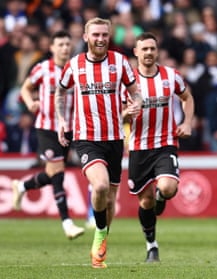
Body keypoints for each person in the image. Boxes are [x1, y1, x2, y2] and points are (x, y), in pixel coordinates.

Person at [55, 17, 142, 269]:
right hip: (86, 139)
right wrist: (62, 120)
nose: (101, 39)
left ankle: (101, 238)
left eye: (104, 34)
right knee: (101, 186)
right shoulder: (75, 65)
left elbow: (135, 91)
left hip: (115, 138)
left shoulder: (120, 62)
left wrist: (136, 103)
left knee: (111, 198)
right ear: (86, 37)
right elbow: (61, 91)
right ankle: (100, 234)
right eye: (96, 35)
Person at [124, 32, 194, 263]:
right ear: (136, 52)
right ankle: (151, 244)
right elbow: (116, 113)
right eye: (144, 49)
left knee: (168, 188)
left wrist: (186, 121)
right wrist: (126, 113)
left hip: (165, 144)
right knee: (145, 202)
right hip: (138, 147)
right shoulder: (127, 82)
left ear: (157, 51)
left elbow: (187, 97)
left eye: (152, 49)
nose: (148, 53)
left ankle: (162, 195)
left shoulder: (170, 76)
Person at [10, 30, 85, 240]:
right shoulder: (43, 68)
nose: (64, 48)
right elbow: (25, 89)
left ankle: (22, 185)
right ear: (51, 48)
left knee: (53, 173)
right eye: (60, 44)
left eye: (67, 44)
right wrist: (29, 102)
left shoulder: (76, 70)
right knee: (58, 173)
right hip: (46, 127)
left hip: (67, 129)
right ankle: (67, 223)